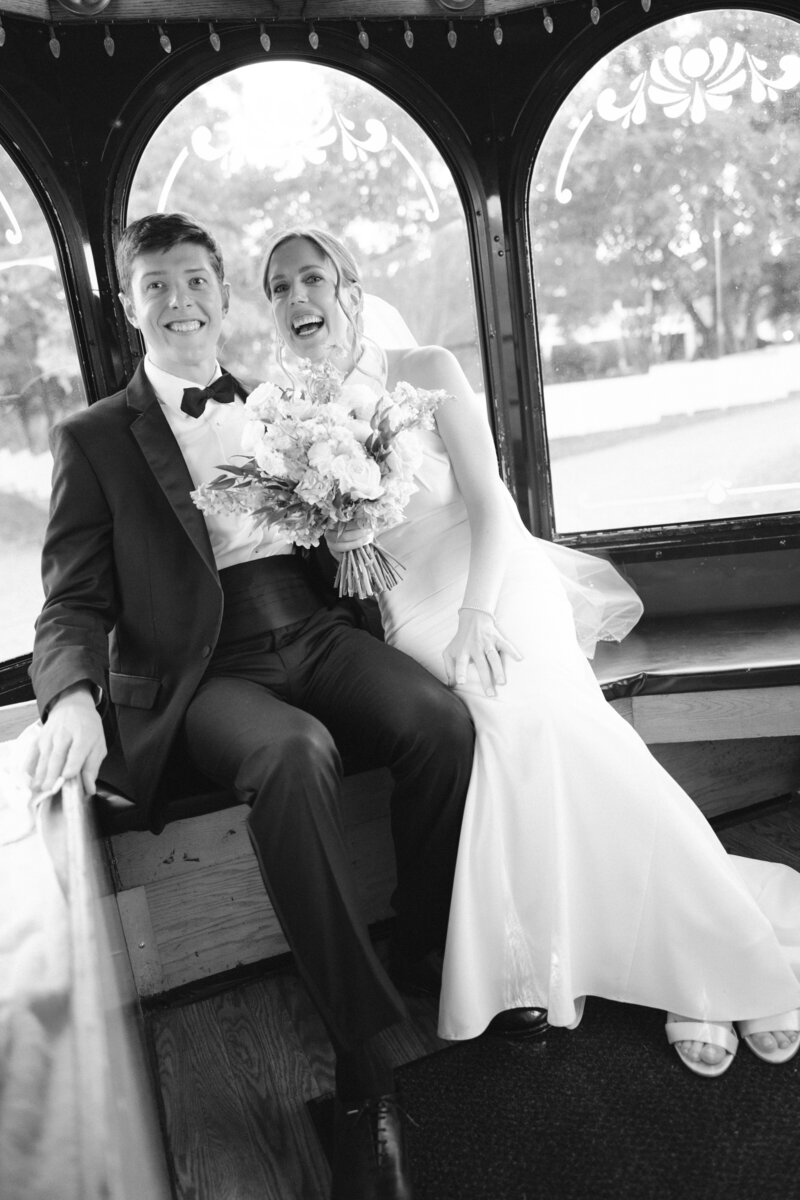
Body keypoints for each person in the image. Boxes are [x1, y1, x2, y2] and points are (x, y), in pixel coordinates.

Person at [262, 226, 800, 1080]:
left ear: (351, 291)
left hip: (493, 583)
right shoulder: (289, 417)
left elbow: (493, 507)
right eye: (279, 286)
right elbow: (329, 556)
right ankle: (583, 943)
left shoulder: (425, 370)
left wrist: (480, 611)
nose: (297, 298)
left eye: (313, 279)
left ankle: (713, 957)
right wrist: (340, 527)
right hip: (411, 616)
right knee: (505, 744)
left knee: (548, 719)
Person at [27, 212, 480, 1200]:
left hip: (314, 632)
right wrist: (65, 698)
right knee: (291, 755)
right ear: (128, 302)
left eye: (197, 280)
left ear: (221, 293)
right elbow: (68, 600)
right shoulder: (94, 437)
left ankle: (425, 941)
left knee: (442, 723)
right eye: (158, 285)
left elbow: (336, 516)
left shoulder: (277, 402)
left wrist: (353, 524)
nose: (180, 301)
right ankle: (364, 1067)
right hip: (208, 672)